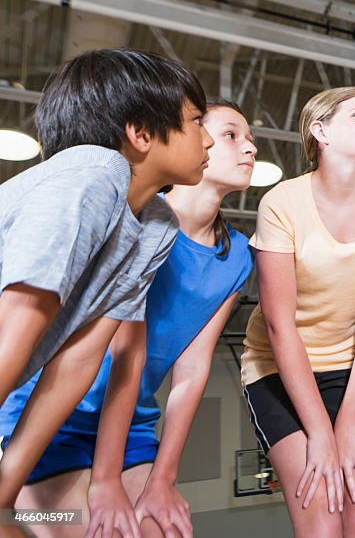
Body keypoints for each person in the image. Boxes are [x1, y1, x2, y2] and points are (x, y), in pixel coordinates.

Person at [0, 100, 255, 538]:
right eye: (231, 134)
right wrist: (105, 481)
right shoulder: (142, 218)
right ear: (198, 140)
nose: (248, 147)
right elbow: (122, 352)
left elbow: (192, 370)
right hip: (54, 413)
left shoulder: (237, 256)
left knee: (166, 530)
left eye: (251, 139)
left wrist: (163, 478)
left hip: (132, 425)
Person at [242, 87, 355, 538]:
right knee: (321, 504)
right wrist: (321, 432)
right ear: (321, 131)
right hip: (277, 369)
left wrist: (349, 423)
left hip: (345, 368)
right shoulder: (281, 203)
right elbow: (280, 326)